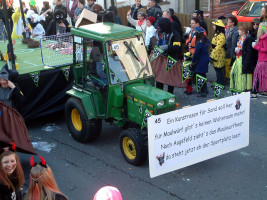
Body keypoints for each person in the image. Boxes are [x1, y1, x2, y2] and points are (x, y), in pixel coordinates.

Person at [155, 17, 182, 94]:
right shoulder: (163, 32)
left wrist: (167, 47)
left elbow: (177, 48)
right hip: (162, 58)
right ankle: (159, 93)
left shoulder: (175, 35)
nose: (159, 28)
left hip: (171, 59)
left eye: (161, 26)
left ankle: (170, 94)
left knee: (170, 78)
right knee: (159, 77)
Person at [190, 26, 210, 97]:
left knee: (200, 76)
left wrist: (192, 62)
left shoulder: (199, 42)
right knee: (203, 75)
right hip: (206, 59)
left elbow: (196, 53)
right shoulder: (206, 40)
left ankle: (203, 92)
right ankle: (205, 89)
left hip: (200, 61)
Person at [230, 25, 250, 91]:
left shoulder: (245, 39)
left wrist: (238, 50)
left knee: (240, 73)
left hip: (241, 58)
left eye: (239, 30)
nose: (238, 31)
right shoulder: (241, 38)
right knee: (235, 72)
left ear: (243, 31)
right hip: (238, 58)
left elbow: (244, 49)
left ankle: (241, 87)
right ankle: (237, 86)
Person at [242, 18, 259, 91]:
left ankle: (255, 87)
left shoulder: (260, 32)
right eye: (254, 24)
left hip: (258, 54)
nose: (255, 25)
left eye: (257, 24)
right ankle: (252, 87)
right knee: (251, 71)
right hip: (251, 54)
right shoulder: (250, 33)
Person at [251, 22, 267, 98]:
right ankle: (265, 91)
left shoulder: (264, 38)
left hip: (262, 60)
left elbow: (265, 49)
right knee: (264, 76)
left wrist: (256, 47)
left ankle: (254, 93)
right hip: (263, 60)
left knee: (257, 76)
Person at [210, 19, 226, 87]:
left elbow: (218, 47)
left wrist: (212, 56)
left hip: (218, 55)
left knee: (219, 70)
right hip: (215, 53)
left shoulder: (221, 36)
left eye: (214, 25)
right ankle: (218, 82)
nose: (213, 26)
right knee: (216, 70)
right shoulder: (217, 34)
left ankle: (220, 84)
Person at [225, 16, 239, 80]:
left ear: (233, 23)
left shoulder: (235, 31)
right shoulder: (228, 29)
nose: (227, 22)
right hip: (225, 50)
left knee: (230, 67)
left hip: (230, 52)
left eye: (229, 22)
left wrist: (232, 54)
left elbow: (234, 44)